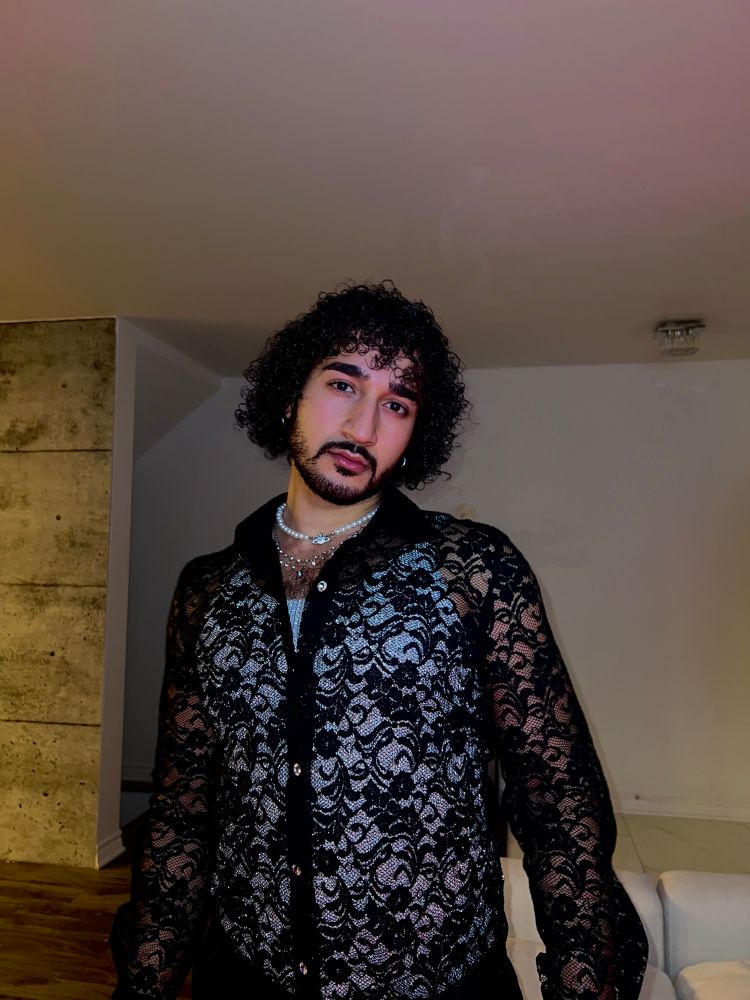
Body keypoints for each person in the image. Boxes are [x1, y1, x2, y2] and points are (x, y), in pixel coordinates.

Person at [110, 282, 647, 999]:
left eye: (397, 403)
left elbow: (558, 803)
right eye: (343, 384)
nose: (365, 425)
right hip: (244, 978)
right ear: (286, 398)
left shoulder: (475, 571)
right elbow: (184, 812)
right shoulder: (208, 590)